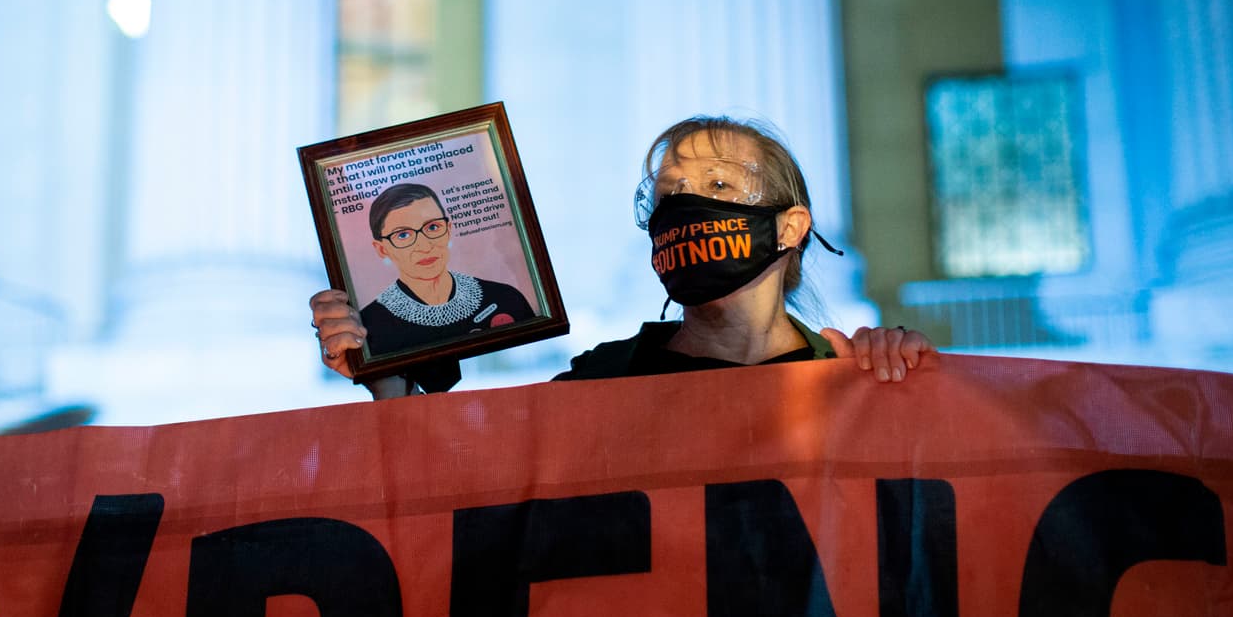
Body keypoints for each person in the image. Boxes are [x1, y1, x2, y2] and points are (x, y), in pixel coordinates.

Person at [311, 116, 933, 396]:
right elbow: (471, 496)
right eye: (669, 193)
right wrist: (393, 384)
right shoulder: (601, 384)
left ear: (790, 227)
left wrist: (911, 383)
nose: (686, 205)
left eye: (717, 186)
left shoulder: (852, 376)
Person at [350, 183, 535, 361]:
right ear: (382, 249)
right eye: (403, 235)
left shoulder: (505, 298)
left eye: (432, 227)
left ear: (448, 230)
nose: (424, 246)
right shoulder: (369, 326)